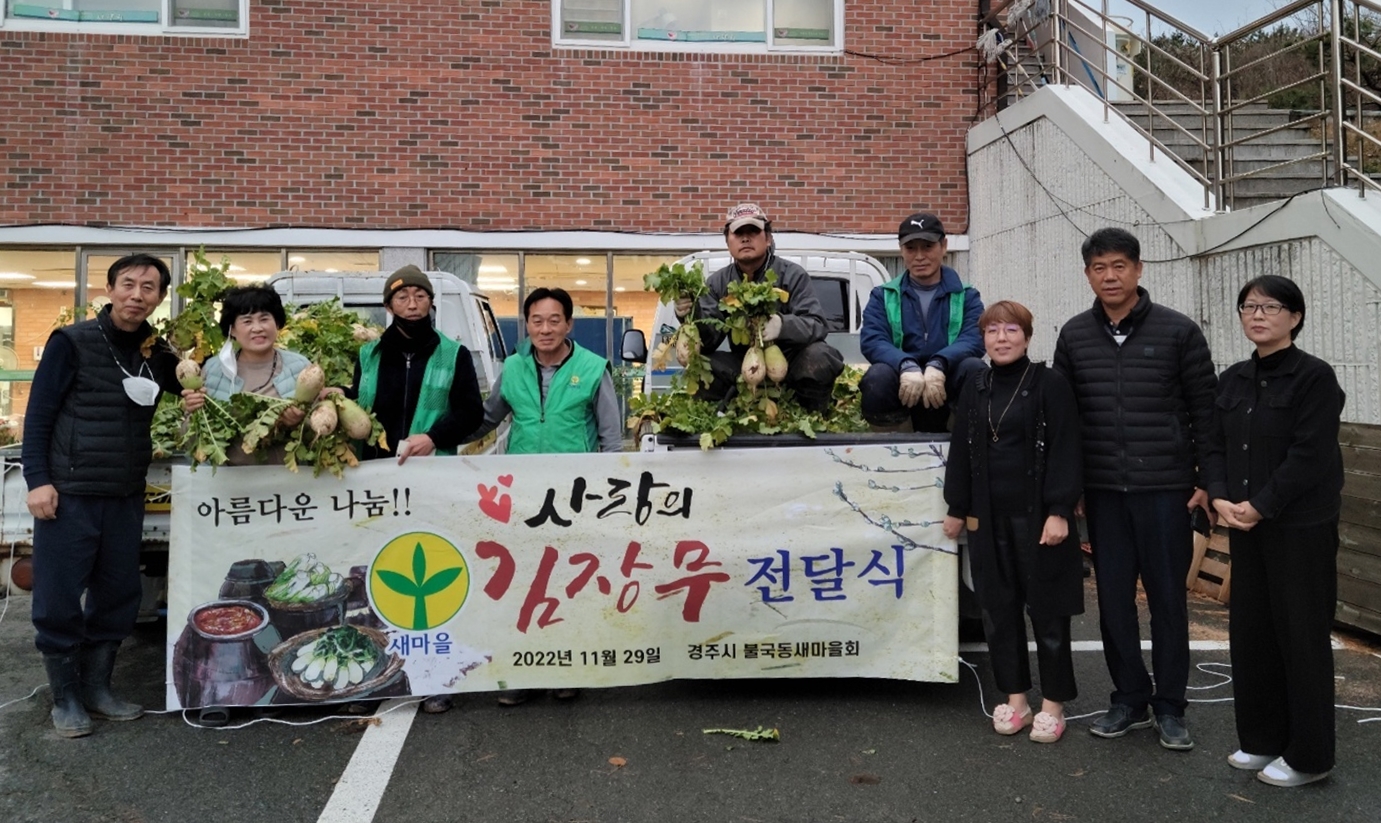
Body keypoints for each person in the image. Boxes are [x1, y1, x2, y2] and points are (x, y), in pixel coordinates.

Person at [1053, 227, 1217, 751]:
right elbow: (1065, 419)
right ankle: (1128, 697)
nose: (1110, 276)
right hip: (1102, 492)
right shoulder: (1075, 335)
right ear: (1086, 275)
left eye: (1119, 265)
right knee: (1115, 602)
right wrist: (1070, 487)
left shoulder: (1178, 332)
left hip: (1167, 489)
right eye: (1099, 268)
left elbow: (1205, 412)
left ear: (1139, 270)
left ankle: (1170, 706)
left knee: (1169, 600)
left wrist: (1206, 481)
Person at [22, 253, 183, 738]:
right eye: (129, 284)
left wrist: (193, 385)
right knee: (58, 596)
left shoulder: (158, 353)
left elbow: (191, 388)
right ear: (110, 289)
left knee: (117, 594)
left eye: (149, 287)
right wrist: (37, 480)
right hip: (70, 491)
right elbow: (39, 413)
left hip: (125, 491)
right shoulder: (71, 342)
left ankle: (98, 688)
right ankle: (65, 697)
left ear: (159, 297)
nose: (138, 295)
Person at [1203, 276, 1344, 787]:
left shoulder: (1315, 378)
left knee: (1301, 636)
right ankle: (1262, 740)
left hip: (1297, 526)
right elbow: (1214, 444)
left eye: (1270, 306)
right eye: (1248, 306)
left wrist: (1261, 505)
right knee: (1253, 633)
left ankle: (1310, 757)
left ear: (1296, 317)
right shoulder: (1234, 378)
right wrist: (1218, 496)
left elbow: (1310, 454)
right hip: (1244, 522)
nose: (1257, 315)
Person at [467, 286, 623, 707]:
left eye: (554, 320)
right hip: (522, 496)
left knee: (567, 584)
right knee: (520, 581)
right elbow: (486, 419)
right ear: (526, 325)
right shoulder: (514, 368)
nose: (545, 328)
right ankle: (520, 670)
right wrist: (438, 440)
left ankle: (565, 667)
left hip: (574, 497)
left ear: (569, 324)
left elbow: (612, 439)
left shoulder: (592, 369)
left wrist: (607, 497)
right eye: (537, 320)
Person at [943, 301, 1083, 744]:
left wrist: (1060, 510)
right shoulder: (975, 385)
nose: (1001, 339)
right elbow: (961, 450)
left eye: (1011, 330)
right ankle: (1017, 699)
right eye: (992, 331)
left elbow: (1065, 448)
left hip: (1039, 519)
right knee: (998, 611)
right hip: (988, 517)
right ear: (982, 339)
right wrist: (955, 506)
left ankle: (1054, 706)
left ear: (1027, 336)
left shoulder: (1049, 383)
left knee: (1048, 611)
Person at [674, 203, 844, 411]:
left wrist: (782, 326)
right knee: (702, 366)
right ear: (728, 241)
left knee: (821, 356)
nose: (746, 238)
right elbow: (709, 341)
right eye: (738, 233)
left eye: (753, 231)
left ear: (769, 238)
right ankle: (723, 415)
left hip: (792, 364)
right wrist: (690, 313)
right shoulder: (717, 283)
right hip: (744, 364)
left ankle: (811, 413)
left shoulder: (792, 275)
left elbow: (817, 325)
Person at [344, 265, 484, 466]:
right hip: (373, 469)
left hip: (430, 468)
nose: (412, 305)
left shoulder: (454, 355)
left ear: (431, 303)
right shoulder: (369, 355)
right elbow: (360, 399)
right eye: (402, 298)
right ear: (388, 306)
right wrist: (340, 393)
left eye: (420, 297)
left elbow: (471, 412)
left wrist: (433, 438)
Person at [860, 213, 985, 432]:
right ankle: (895, 452)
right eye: (911, 249)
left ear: (943, 246)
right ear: (901, 250)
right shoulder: (883, 295)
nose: (919, 256)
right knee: (877, 377)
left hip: (947, 389)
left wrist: (939, 363)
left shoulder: (967, 295)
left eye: (927, 247)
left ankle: (961, 446)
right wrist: (905, 365)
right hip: (903, 388)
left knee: (975, 369)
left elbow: (974, 339)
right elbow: (873, 340)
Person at [183, 285, 313, 463]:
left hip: (287, 483)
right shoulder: (214, 370)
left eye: (264, 319)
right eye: (247, 321)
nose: (257, 328)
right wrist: (191, 412)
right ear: (232, 330)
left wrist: (300, 423)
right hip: (230, 482)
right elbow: (191, 441)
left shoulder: (301, 367)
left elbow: (321, 430)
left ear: (277, 323)